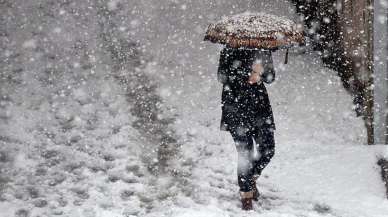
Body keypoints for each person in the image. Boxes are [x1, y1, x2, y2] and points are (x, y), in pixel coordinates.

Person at [217, 46, 276, 210]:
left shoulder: (263, 50)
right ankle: (246, 195)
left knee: (268, 149)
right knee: (245, 154)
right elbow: (222, 76)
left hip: (260, 109)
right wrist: (248, 72)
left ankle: (250, 179)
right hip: (236, 108)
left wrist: (261, 73)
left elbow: (271, 77)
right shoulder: (229, 50)